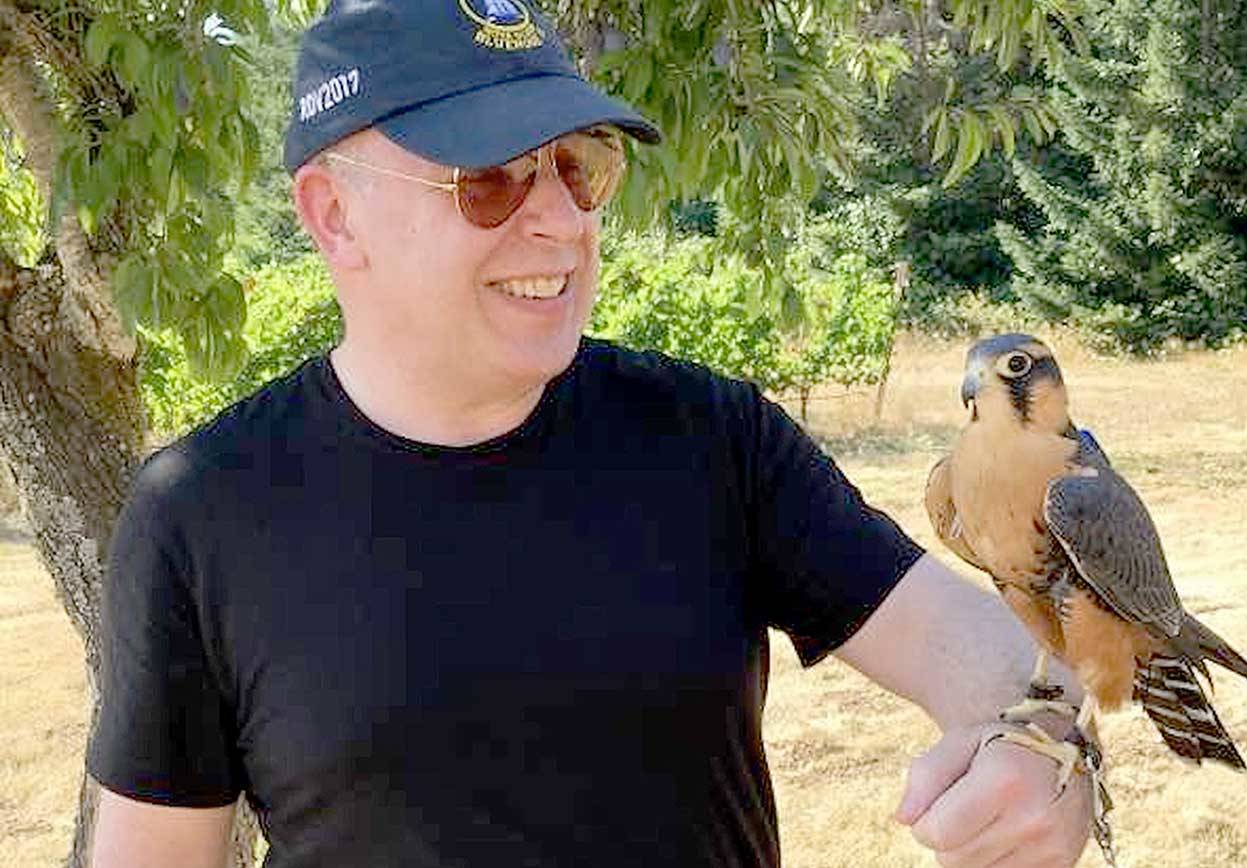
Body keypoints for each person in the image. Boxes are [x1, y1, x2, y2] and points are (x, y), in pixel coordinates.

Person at [88, 1, 1095, 866]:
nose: (561, 221)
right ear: (334, 215)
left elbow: (1003, 662)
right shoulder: (202, 513)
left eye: (577, 168)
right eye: (490, 177)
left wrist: (1048, 751)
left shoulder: (712, 439)